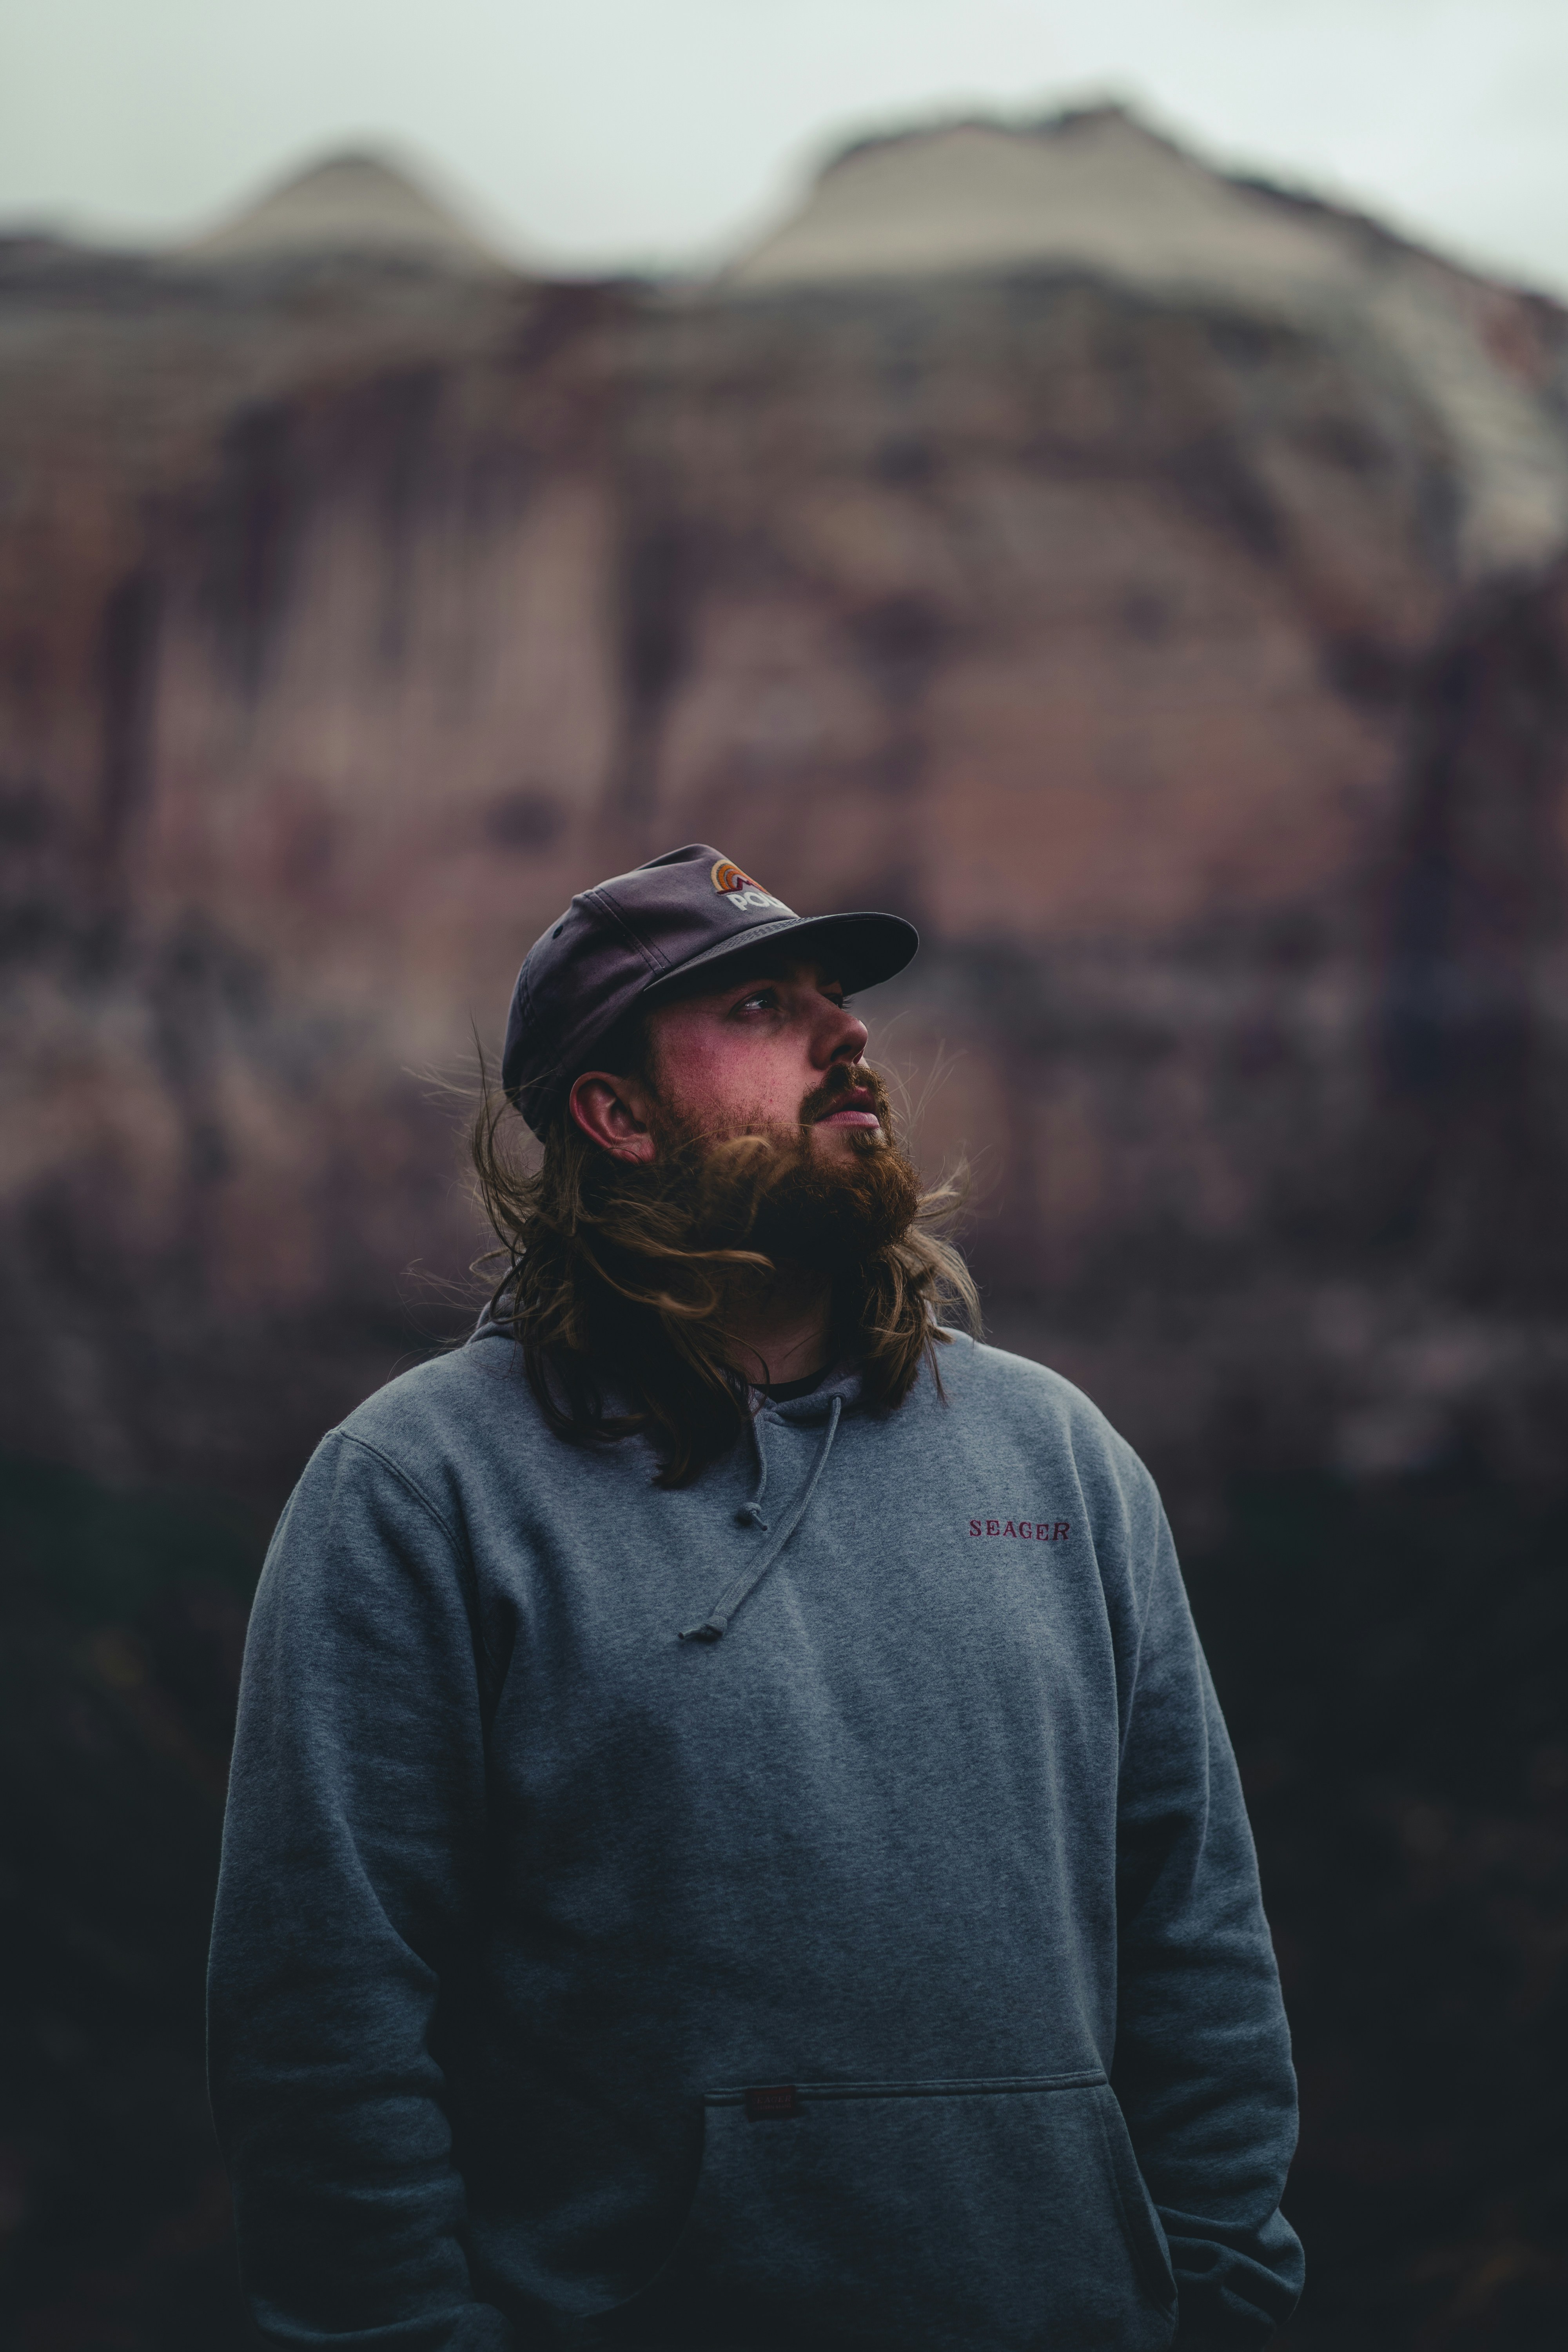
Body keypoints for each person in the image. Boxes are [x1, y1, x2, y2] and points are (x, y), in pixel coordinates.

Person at [208, 844, 1304, 2350]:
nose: (848, 1035)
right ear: (617, 1115)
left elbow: (1200, 1948)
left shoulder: (1061, 1456)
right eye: (761, 1006)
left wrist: (1228, 2303)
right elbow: (321, 2028)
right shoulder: (418, 1491)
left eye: (836, 998)